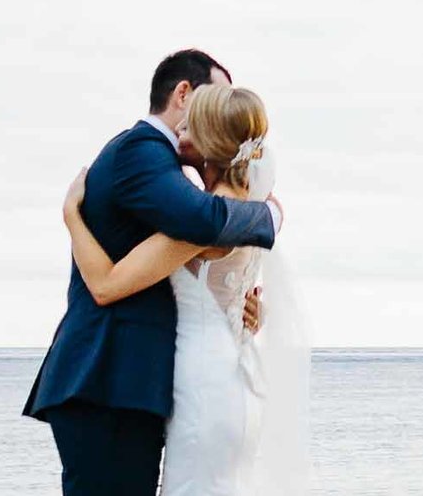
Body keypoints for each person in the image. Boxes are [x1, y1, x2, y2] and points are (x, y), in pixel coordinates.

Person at [24, 50, 282, 496]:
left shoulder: (181, 179)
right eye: (213, 97)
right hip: (108, 381)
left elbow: (203, 224)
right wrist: (271, 217)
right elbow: (203, 221)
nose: (216, 111)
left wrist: (246, 287)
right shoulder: (141, 151)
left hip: (145, 383)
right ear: (183, 93)